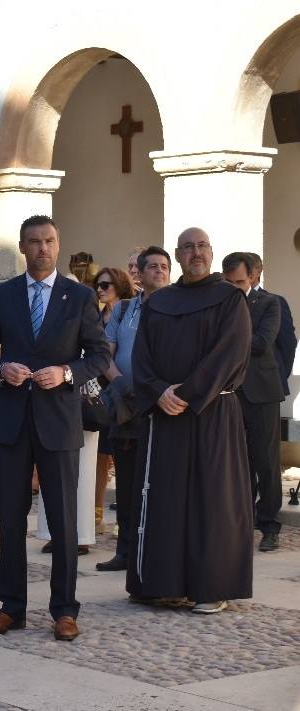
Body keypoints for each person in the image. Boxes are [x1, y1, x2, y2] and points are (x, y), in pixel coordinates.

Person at [0, 215, 109, 642]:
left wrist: (67, 373)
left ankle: (64, 610)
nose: (42, 248)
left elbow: (100, 354)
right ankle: (11, 607)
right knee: (11, 520)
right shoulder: (5, 295)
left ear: (58, 243)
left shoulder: (79, 295)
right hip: (12, 422)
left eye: (49, 240)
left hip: (59, 421)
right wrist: (1, 367)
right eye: (34, 242)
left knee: (64, 522)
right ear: (22, 246)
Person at [127, 228, 252, 614]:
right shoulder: (159, 302)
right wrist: (159, 391)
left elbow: (229, 354)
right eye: (187, 248)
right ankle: (164, 584)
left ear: (212, 253)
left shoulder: (230, 300)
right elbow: (141, 358)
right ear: (177, 256)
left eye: (201, 246)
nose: (195, 253)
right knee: (165, 498)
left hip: (213, 413)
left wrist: (185, 393)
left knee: (211, 499)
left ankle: (210, 587)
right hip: (165, 416)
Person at [94, 246, 170, 572]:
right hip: (127, 407)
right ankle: (125, 551)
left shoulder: (178, 307)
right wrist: (122, 385)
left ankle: (156, 550)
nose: (158, 271)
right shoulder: (124, 309)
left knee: (160, 481)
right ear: (139, 272)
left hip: (165, 406)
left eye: (164, 266)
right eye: (151, 266)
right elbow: (105, 354)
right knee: (127, 481)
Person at [223, 252, 284, 552]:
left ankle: (270, 526)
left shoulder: (270, 303)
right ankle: (243, 523)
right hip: (230, 393)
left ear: (253, 278)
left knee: (267, 462)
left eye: (239, 282)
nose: (234, 287)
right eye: (229, 282)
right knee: (239, 463)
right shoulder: (220, 303)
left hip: (263, 393)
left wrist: (228, 340)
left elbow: (261, 343)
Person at [92, 267, 135, 533]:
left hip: (124, 391)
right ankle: (95, 515)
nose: (100, 289)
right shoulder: (96, 315)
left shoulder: (129, 311)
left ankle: (125, 513)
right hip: (99, 391)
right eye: (98, 285)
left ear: (119, 285)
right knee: (99, 454)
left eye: (106, 285)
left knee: (123, 456)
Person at [248, 253, 297, 398]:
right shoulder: (228, 303)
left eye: (249, 269)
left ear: (259, 271)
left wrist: (277, 374)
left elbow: (288, 344)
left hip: (264, 386)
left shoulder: (274, 302)